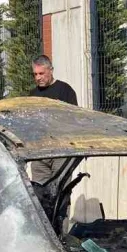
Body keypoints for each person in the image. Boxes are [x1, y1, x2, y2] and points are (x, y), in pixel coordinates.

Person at [29, 56, 77, 185]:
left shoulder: (65, 90)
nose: (38, 78)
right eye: (35, 74)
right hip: (39, 153)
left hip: (61, 150)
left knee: (60, 192)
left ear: (51, 70)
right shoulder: (32, 95)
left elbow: (73, 120)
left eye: (41, 73)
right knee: (39, 192)